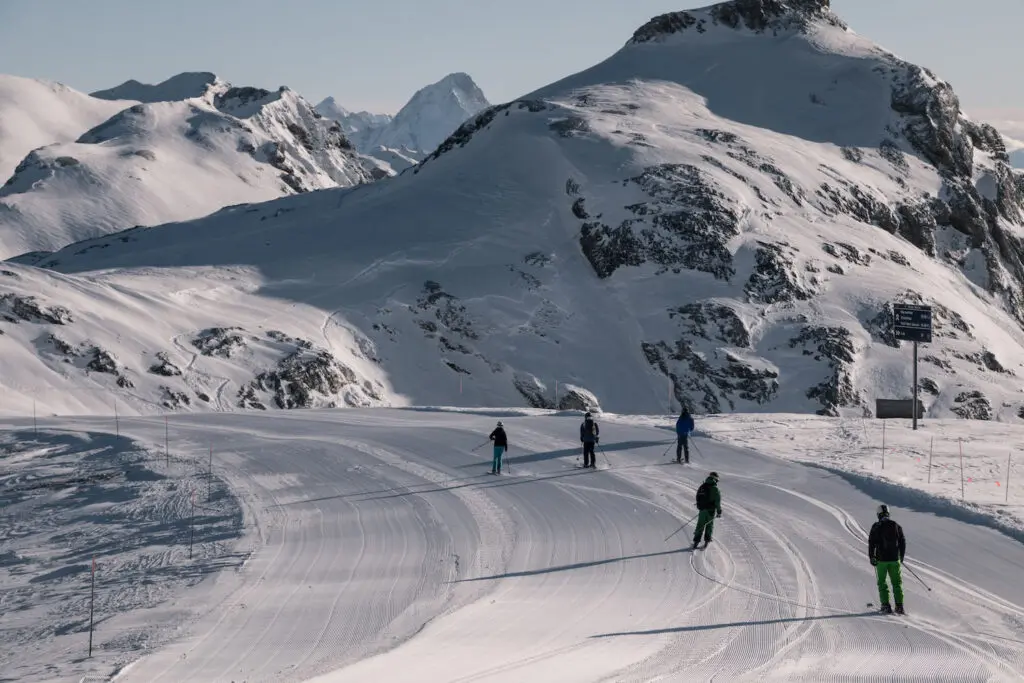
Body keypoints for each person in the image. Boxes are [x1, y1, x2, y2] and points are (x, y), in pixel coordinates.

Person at [868, 504, 906, 614]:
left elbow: (871, 543)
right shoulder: (896, 525)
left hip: (881, 560)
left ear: (878, 514)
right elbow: (902, 541)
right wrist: (901, 556)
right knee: (897, 583)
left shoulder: (876, 526)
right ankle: (899, 606)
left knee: (882, 582)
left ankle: (886, 605)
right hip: (895, 560)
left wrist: (872, 557)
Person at [692, 472, 721, 549]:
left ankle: (696, 541)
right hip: (710, 511)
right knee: (709, 525)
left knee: (700, 524)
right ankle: (707, 540)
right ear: (715, 479)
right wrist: (719, 511)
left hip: (702, 509)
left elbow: (698, 496)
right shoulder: (715, 489)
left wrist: (700, 505)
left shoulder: (702, 486)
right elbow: (717, 501)